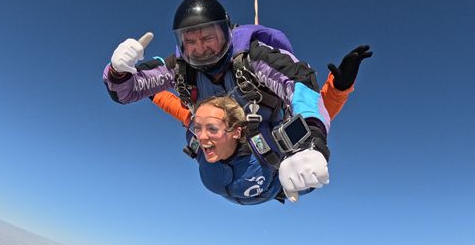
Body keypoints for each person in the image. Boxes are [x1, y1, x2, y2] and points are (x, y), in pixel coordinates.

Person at [105, 0, 361, 193]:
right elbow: (128, 92)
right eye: (190, 41)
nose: (200, 49)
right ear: (181, 43)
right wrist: (118, 72)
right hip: (225, 165)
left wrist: (311, 145)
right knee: (196, 123)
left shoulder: (253, 58)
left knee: (304, 176)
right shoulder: (180, 67)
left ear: (226, 32)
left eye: (208, 37)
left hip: (268, 162)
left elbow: (299, 87)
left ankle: (287, 169)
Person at [151, 44, 372, 204]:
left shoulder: (268, 143)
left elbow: (313, 116)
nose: (201, 136)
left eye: (212, 129)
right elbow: (172, 105)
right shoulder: (201, 129)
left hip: (272, 186)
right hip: (243, 189)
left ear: (236, 131)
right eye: (199, 128)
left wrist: (339, 87)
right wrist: (141, 86)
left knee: (306, 176)